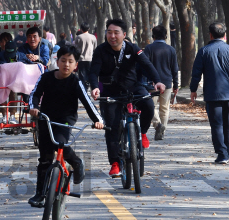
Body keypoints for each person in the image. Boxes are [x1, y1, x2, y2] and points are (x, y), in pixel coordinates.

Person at [27, 45, 104, 208]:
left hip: (65, 120)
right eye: (63, 60)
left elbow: (88, 103)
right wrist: (33, 107)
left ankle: (76, 162)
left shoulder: (76, 82)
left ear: (76, 64)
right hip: (45, 118)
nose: (66, 65)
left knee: (59, 143)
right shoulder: (46, 77)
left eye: (70, 61)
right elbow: (34, 94)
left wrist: (98, 120)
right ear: (57, 61)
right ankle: (40, 193)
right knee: (45, 159)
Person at [88, 18, 165, 178]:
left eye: (116, 33)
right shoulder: (101, 50)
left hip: (133, 87)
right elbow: (93, 71)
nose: (112, 36)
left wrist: (158, 81)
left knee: (149, 105)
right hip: (110, 91)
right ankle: (115, 163)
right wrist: (95, 86)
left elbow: (147, 65)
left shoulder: (133, 48)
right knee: (111, 127)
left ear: (124, 34)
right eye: (109, 32)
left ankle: (142, 133)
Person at [190, 22, 229, 164]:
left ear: (210, 34)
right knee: (227, 122)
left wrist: (193, 89)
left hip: (212, 94)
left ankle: (222, 153)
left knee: (216, 124)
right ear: (224, 35)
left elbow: (196, 73)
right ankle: (227, 149)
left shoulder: (204, 51)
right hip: (228, 94)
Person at [144, 25, 179, 140]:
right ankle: (162, 130)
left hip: (152, 83)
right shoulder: (171, 50)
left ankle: (157, 124)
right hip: (167, 82)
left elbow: (145, 66)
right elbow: (175, 69)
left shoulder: (149, 49)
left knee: (150, 107)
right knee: (164, 108)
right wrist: (176, 85)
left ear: (153, 36)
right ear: (166, 36)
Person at [75, 23, 97, 89]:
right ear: (89, 29)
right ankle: (89, 86)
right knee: (90, 73)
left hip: (81, 59)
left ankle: (83, 88)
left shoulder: (79, 37)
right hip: (90, 58)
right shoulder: (93, 37)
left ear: (81, 29)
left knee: (82, 75)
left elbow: (76, 48)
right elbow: (95, 48)